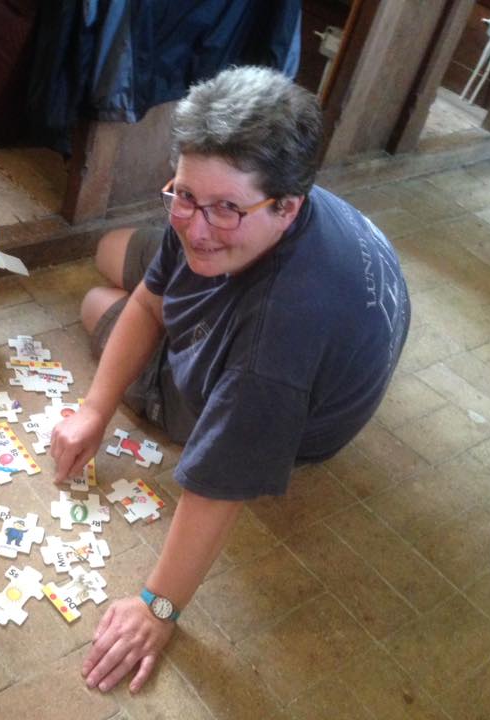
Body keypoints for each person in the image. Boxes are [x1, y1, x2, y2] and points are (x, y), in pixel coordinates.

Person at [50, 66, 410, 694]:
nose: (193, 225)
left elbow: (220, 486)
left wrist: (157, 608)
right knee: (110, 252)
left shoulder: (272, 349)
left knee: (92, 304)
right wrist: (93, 410)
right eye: (184, 194)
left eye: (222, 208)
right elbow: (149, 302)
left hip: (291, 407)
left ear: (287, 206)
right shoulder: (231, 208)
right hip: (289, 311)